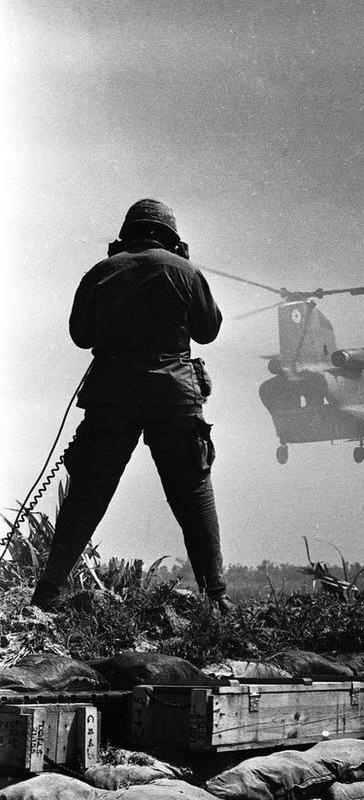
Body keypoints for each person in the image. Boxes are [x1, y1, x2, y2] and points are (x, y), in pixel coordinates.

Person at [31, 198, 232, 613]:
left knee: (87, 493)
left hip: (112, 397)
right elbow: (208, 331)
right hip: (173, 397)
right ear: (171, 237)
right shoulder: (186, 271)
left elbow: (81, 336)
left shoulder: (101, 272)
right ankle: (218, 597)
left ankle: (47, 593)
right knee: (193, 493)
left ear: (127, 232)